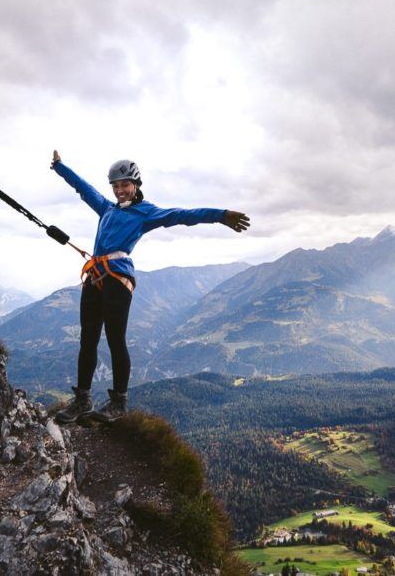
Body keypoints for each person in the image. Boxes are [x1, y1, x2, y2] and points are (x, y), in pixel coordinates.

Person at [51, 151, 250, 423]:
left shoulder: (145, 213)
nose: (120, 190)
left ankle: (119, 403)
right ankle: (83, 400)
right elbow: (83, 188)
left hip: (118, 280)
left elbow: (181, 215)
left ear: (136, 185)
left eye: (125, 185)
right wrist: (60, 167)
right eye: (116, 186)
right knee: (88, 339)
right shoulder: (106, 209)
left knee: (115, 340)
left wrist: (220, 215)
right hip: (96, 277)